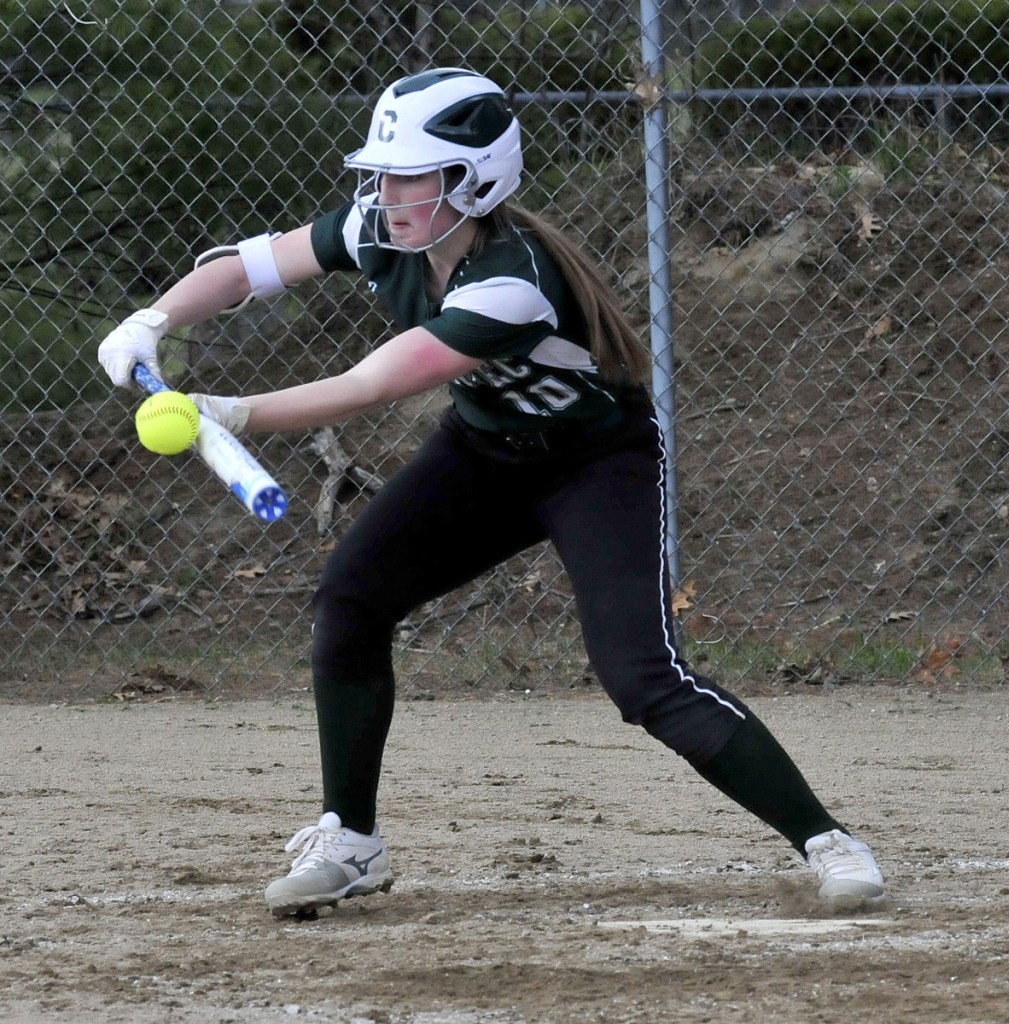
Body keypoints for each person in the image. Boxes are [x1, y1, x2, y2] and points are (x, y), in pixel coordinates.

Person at [98, 68, 885, 918]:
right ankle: (351, 840)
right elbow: (249, 268)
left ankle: (828, 840)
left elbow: (375, 382)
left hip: (595, 465)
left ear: (474, 180)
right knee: (352, 601)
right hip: (483, 453)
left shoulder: (512, 282)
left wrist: (230, 411)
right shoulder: (380, 227)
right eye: (384, 171)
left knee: (644, 680)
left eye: (411, 174)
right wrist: (154, 321)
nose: (385, 190)